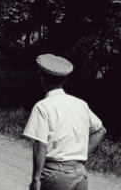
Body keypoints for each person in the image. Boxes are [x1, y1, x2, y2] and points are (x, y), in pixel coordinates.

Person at [23, 54, 107, 190]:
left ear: (42, 78)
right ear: (65, 79)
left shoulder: (43, 106)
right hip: (80, 174)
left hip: (55, 176)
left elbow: (40, 145)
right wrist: (81, 155)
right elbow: (100, 130)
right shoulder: (80, 104)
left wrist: (36, 180)